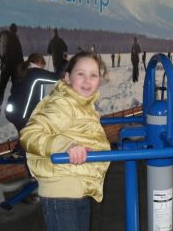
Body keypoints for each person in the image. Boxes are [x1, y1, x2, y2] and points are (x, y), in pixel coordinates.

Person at [20, 51, 111, 231]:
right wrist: (66, 145)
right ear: (68, 78)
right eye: (81, 74)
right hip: (61, 192)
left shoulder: (83, 105)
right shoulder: (61, 103)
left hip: (78, 187)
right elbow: (29, 134)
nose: (87, 80)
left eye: (93, 75)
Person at [5, 53, 59, 133]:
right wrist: (65, 63)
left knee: (25, 136)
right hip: (23, 115)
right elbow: (56, 77)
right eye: (43, 66)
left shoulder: (23, 71)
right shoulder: (35, 72)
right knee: (29, 140)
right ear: (40, 62)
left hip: (12, 112)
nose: (43, 69)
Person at [0, 23, 24, 117]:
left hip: (5, 66)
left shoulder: (5, 36)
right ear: (15, 30)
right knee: (16, 87)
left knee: (1, 87)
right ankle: (15, 107)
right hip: (14, 67)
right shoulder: (16, 39)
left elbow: (3, 53)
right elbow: (20, 55)